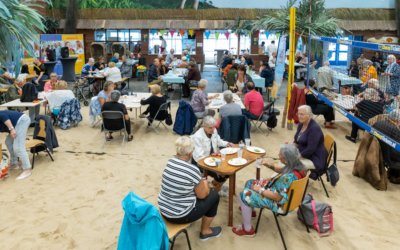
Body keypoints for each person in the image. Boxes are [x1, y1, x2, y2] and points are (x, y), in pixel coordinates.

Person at [232, 144, 307, 236]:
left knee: (244, 195)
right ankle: (251, 211)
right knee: (250, 183)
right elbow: (282, 170)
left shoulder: (287, 178)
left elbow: (278, 197)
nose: (278, 155)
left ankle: (248, 230)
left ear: (287, 160)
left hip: (280, 203)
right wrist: (268, 164)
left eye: (280, 155)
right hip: (287, 197)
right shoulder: (298, 167)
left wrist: (260, 190)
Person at [158, 136, 222, 240]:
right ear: (190, 153)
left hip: (164, 210)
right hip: (179, 216)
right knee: (214, 195)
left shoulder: (169, 162)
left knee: (192, 189)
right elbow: (202, 195)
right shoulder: (192, 169)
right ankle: (205, 231)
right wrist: (205, 182)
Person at [191, 116, 234, 190]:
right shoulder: (197, 137)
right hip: (201, 162)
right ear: (204, 126)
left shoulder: (214, 131)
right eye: (210, 128)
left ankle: (214, 185)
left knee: (229, 170)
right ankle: (215, 188)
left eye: (214, 127)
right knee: (222, 173)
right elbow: (199, 157)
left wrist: (227, 144)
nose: (213, 130)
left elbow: (219, 141)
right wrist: (214, 167)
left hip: (213, 159)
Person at [294, 105, 327, 179]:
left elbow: (310, 149)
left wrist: (297, 157)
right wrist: (289, 148)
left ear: (309, 115)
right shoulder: (301, 124)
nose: (299, 116)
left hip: (314, 157)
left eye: (302, 114)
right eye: (298, 114)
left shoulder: (314, 129)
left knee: (292, 163)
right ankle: (289, 179)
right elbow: (296, 140)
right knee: (285, 154)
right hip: (304, 152)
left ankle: (295, 182)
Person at [0, 110, 32, 180]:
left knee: (18, 147)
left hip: (22, 121)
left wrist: (11, 129)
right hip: (15, 125)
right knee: (8, 142)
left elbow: (3, 116)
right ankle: (14, 163)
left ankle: (27, 169)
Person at [373, 109, 400, 183]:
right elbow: (397, 148)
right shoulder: (395, 129)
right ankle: (395, 176)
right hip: (388, 157)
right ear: (397, 120)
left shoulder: (378, 123)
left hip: (375, 151)